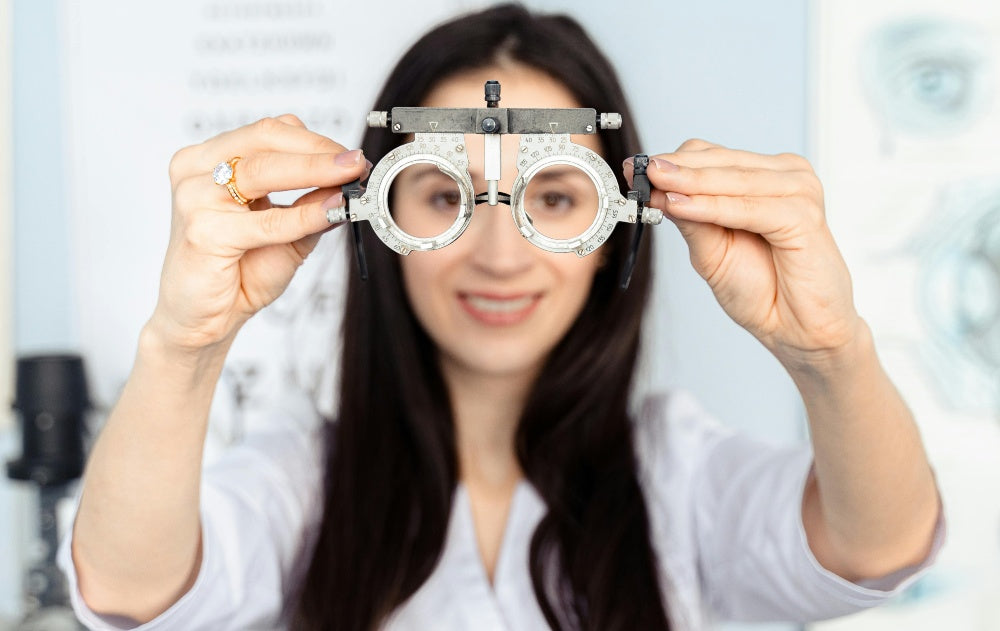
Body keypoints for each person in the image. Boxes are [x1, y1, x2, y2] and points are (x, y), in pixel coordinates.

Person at [58, 5, 944, 631]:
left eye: (555, 197)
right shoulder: (306, 478)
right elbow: (130, 592)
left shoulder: (674, 472)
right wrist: (185, 342)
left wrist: (830, 349)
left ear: (610, 228)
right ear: (384, 219)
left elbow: (879, 548)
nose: (499, 251)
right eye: (444, 194)